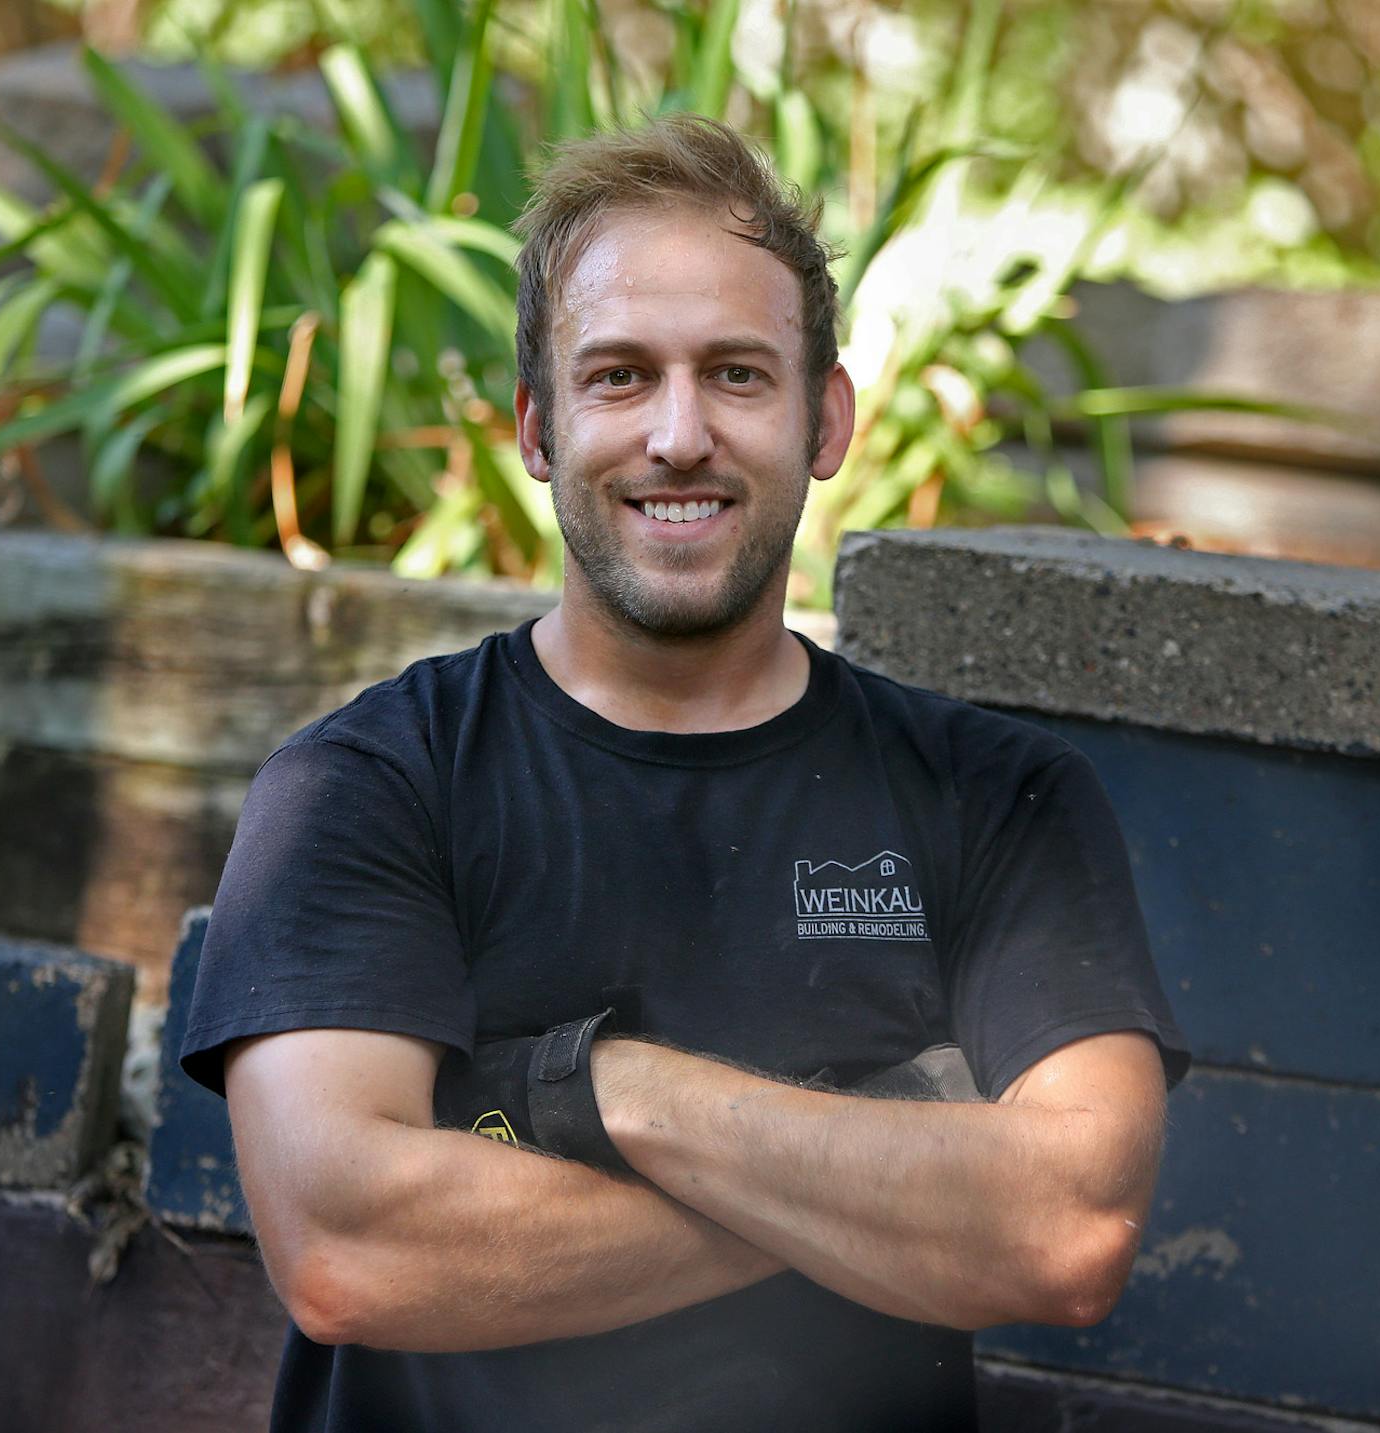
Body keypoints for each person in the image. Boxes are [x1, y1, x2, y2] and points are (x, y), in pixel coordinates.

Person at [179, 113, 1190, 1432]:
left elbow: (1067, 1229)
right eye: (617, 377)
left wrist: (598, 1090)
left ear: (825, 419)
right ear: (538, 428)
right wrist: (875, 1156)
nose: (676, 436)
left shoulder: (998, 800)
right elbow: (345, 1249)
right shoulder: (368, 786)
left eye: (735, 374)